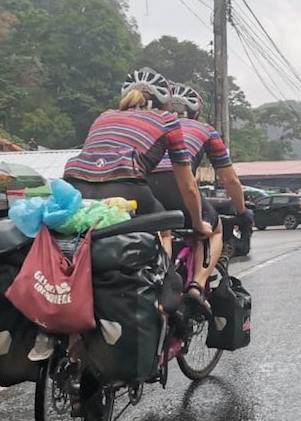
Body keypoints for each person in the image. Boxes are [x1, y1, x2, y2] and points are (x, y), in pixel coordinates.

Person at [62, 68, 212, 252]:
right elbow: (188, 185)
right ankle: (164, 277)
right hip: (125, 186)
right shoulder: (168, 120)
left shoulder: (104, 116)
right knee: (164, 226)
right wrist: (198, 224)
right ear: (165, 103)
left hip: (76, 187)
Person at [149, 81, 252, 307]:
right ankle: (197, 285)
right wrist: (242, 212)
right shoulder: (205, 130)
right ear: (195, 113)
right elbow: (230, 180)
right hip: (175, 185)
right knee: (211, 228)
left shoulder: (151, 123)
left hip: (144, 185)